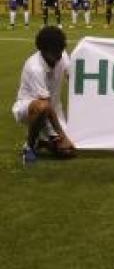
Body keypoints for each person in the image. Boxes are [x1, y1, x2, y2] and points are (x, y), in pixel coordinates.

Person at [12, 26, 75, 166]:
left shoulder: (62, 55)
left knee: (68, 152)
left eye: (60, 50)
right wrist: (62, 136)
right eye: (55, 52)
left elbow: (72, 77)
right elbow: (46, 106)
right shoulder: (35, 68)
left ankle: (44, 141)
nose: (59, 55)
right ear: (43, 51)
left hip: (54, 110)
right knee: (43, 107)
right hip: (29, 108)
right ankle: (29, 146)